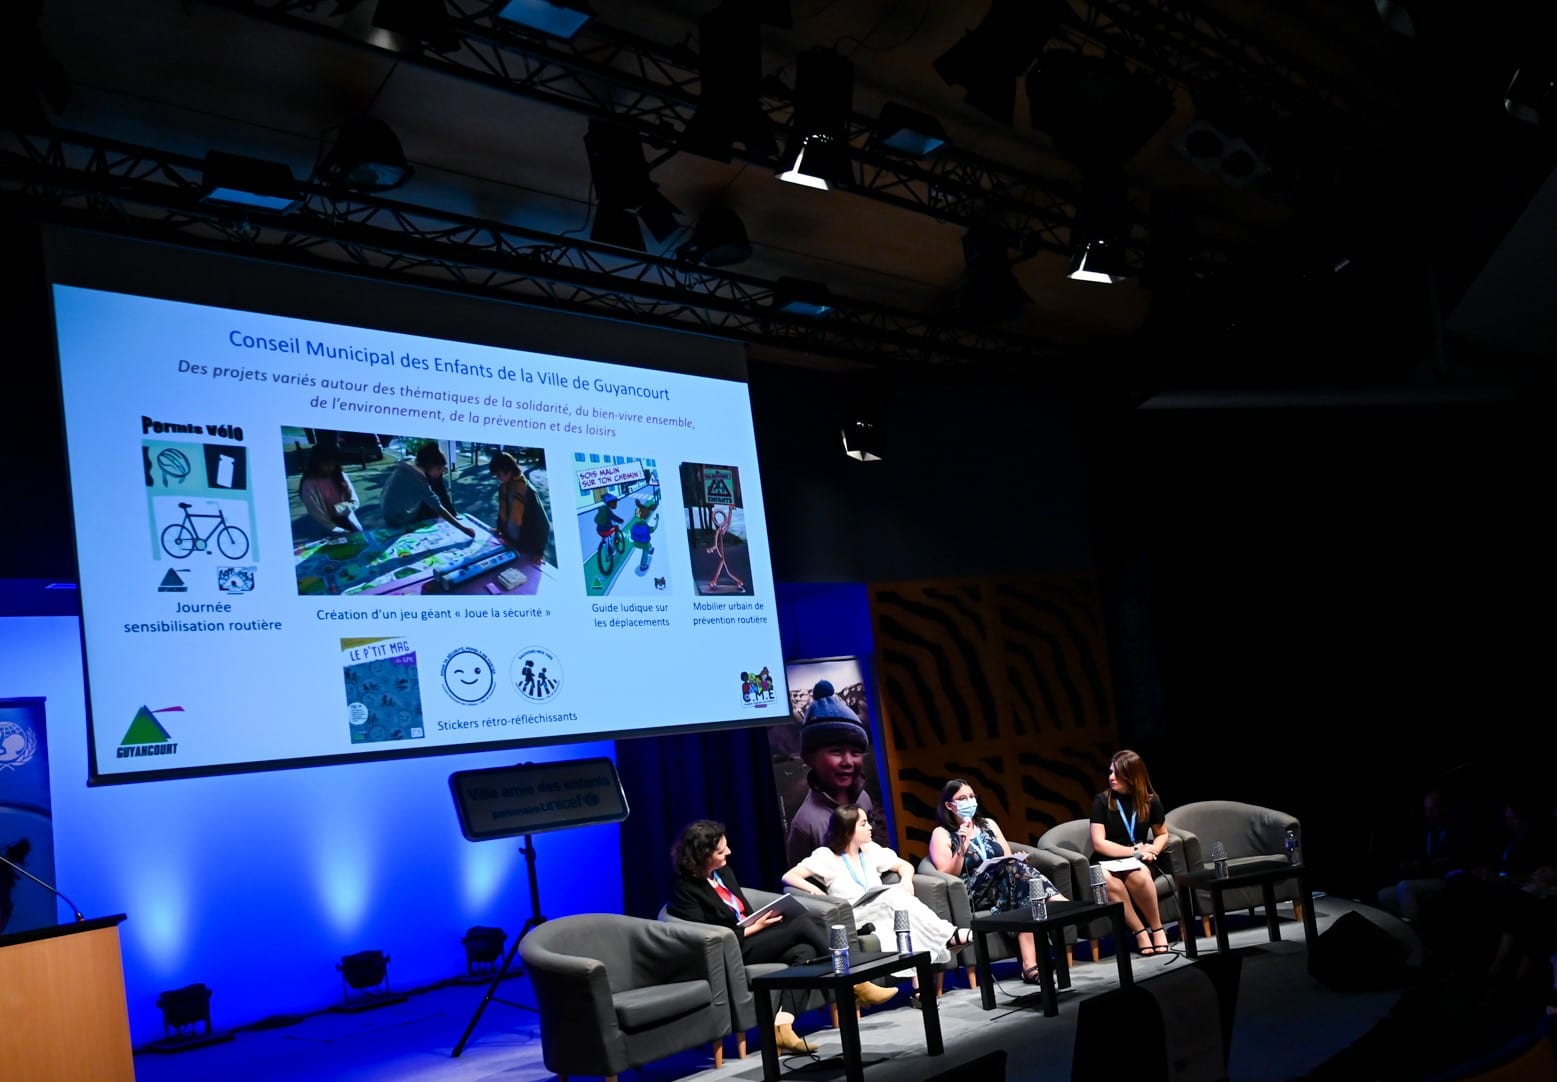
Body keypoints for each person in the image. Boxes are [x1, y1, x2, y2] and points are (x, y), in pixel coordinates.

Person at [668, 820, 835, 1054]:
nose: (729, 852)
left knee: (805, 952)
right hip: (731, 949)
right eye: (720, 851)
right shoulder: (685, 889)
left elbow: (741, 910)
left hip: (751, 937)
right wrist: (755, 927)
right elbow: (705, 933)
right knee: (802, 922)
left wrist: (760, 920)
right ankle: (851, 978)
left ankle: (783, 1026)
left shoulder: (723, 873)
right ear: (703, 855)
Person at [782, 804, 971, 1008]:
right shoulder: (826, 856)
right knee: (893, 896)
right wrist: (814, 890)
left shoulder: (870, 850)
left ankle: (920, 991)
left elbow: (904, 865)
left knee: (904, 923)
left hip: (880, 907)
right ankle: (949, 935)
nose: (870, 827)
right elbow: (789, 876)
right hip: (852, 913)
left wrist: (906, 881)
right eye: (863, 824)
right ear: (848, 829)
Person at [929, 778, 1066, 983]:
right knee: (1013, 873)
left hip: (1003, 882)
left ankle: (1029, 966)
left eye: (972, 796)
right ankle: (1056, 901)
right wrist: (962, 849)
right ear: (949, 805)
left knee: (1015, 875)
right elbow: (946, 874)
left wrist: (1018, 859)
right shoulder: (942, 834)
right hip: (973, 892)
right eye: (962, 798)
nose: (969, 801)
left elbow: (1007, 855)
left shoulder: (988, 824)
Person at [785, 682, 879, 866]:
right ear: (809, 757)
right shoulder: (805, 825)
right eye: (836, 751)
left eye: (856, 752)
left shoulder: (864, 799)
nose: (848, 761)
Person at [1089, 749, 1171, 955]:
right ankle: (1140, 932)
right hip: (1106, 860)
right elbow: (1099, 843)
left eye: (1117, 774)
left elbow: (1162, 834)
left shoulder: (1150, 801)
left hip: (1137, 860)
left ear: (1132, 776)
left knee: (1138, 875)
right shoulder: (1102, 801)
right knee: (1106, 879)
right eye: (1110, 772)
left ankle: (1157, 929)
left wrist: (1154, 849)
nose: (1111, 777)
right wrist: (1134, 850)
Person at [380, 444, 474, 537]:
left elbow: (441, 493)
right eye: (439, 469)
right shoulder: (417, 479)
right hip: (397, 519)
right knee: (433, 508)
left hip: (388, 512)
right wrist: (464, 529)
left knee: (432, 498)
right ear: (429, 465)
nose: (440, 472)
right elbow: (438, 507)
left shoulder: (409, 466)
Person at [488, 451, 550, 564]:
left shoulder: (528, 491)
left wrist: (539, 552)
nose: (497, 478)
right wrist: (499, 528)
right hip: (510, 541)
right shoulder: (503, 488)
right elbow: (502, 512)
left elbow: (543, 524)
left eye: (499, 474)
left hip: (527, 546)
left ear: (509, 470)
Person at [297, 445, 362, 535]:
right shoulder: (309, 484)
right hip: (326, 526)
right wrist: (338, 530)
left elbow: (355, 502)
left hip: (348, 520)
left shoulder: (341, 476)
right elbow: (316, 513)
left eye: (332, 464)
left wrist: (338, 509)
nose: (330, 467)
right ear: (316, 464)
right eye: (326, 465)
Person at [629, 501, 658, 572]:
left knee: (646, 539)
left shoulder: (635, 524)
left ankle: (650, 549)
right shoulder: (646, 526)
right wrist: (657, 521)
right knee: (645, 550)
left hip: (636, 542)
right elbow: (654, 528)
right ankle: (643, 565)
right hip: (644, 544)